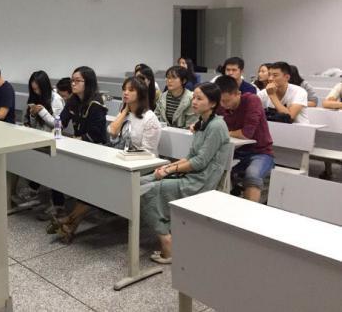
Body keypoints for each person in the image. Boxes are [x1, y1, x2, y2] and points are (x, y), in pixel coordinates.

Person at [140, 83, 230, 264]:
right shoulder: (202, 123)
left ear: (213, 103)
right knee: (141, 181)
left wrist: (169, 170)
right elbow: (190, 157)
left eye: (199, 98)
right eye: (193, 97)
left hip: (201, 180)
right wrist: (166, 167)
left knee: (148, 190)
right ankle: (165, 229)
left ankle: (166, 240)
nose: (194, 101)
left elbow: (199, 162)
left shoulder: (217, 126)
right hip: (193, 174)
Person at [46, 66, 108, 240]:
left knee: (89, 189)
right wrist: (56, 130)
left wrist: (76, 139)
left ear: (88, 83)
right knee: (84, 189)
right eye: (72, 80)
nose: (73, 84)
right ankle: (69, 226)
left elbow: (97, 134)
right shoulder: (73, 100)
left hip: (97, 150)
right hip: (80, 147)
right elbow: (62, 121)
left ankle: (68, 220)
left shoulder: (96, 103)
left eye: (77, 81)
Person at [216, 76, 275, 202]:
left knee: (252, 175)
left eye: (226, 101)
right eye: (220, 101)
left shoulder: (252, 100)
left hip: (260, 152)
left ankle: (248, 212)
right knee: (214, 169)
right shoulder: (221, 104)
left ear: (238, 94)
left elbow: (246, 134)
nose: (223, 105)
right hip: (235, 151)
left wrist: (224, 132)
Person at [14, 71, 64, 206]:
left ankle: (57, 205)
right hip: (39, 138)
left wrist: (42, 111)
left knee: (52, 173)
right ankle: (35, 193)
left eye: (38, 89)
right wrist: (32, 115)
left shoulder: (56, 99)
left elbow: (58, 125)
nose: (36, 92)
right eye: (34, 89)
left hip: (53, 141)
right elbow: (35, 125)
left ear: (45, 86)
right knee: (37, 166)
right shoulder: (36, 98)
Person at [108, 76, 161, 154]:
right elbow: (112, 132)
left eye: (131, 90)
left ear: (140, 94)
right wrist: (125, 111)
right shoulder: (124, 113)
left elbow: (148, 152)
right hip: (121, 155)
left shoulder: (150, 118)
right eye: (124, 89)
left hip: (141, 159)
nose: (126, 93)